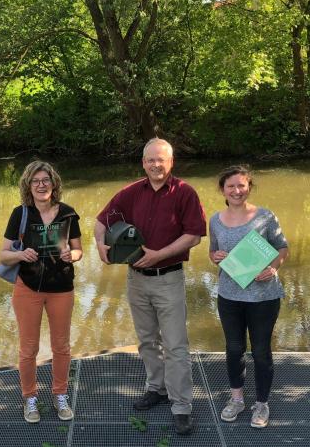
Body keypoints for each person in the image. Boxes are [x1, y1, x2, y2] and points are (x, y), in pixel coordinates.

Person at [94, 138, 206, 435]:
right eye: (150, 160)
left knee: (176, 345)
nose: (156, 165)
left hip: (168, 277)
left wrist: (160, 254)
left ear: (171, 162)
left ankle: (181, 406)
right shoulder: (130, 193)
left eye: (162, 160)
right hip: (136, 280)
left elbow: (194, 235)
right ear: (143, 162)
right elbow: (101, 221)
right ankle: (156, 388)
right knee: (146, 340)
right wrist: (100, 245)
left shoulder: (185, 193)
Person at [0, 161, 83, 424]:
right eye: (35, 181)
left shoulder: (68, 214)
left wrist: (73, 254)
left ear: (54, 183)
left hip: (61, 289)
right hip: (28, 288)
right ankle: (30, 398)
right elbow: (3, 254)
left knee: (61, 346)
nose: (41, 185)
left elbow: (79, 250)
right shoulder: (20, 214)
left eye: (45, 180)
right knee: (28, 349)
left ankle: (60, 395)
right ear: (28, 185)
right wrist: (20, 254)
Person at [208, 165, 289, 429]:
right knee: (234, 349)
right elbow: (213, 253)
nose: (236, 191)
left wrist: (273, 267)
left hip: (264, 297)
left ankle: (262, 404)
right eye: (231, 186)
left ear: (249, 187)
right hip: (229, 296)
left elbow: (282, 248)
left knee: (262, 351)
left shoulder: (265, 216)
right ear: (223, 189)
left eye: (241, 185)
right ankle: (237, 399)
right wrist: (215, 257)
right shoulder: (215, 220)